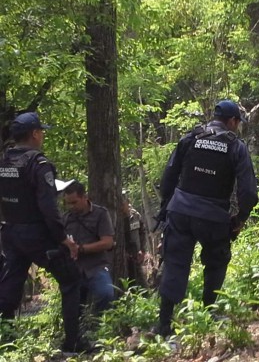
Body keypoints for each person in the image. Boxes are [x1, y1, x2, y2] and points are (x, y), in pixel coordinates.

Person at [156, 100, 258, 336]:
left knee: (175, 264)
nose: (238, 127)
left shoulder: (191, 138)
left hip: (180, 211)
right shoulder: (236, 146)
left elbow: (169, 176)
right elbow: (248, 192)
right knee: (216, 261)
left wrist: (166, 208)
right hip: (213, 216)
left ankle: (164, 325)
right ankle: (210, 313)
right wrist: (240, 218)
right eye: (238, 123)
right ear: (232, 121)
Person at [0, 112, 88, 352]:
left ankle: (6, 344)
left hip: (10, 233)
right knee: (71, 279)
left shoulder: (4, 161)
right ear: (35, 134)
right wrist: (63, 239)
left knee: (8, 289)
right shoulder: (39, 164)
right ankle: (72, 343)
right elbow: (48, 208)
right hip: (37, 235)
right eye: (42, 131)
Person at [63, 181, 114, 315]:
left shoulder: (100, 214)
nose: (71, 206)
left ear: (84, 197)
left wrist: (81, 248)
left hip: (96, 266)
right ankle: (78, 332)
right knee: (73, 307)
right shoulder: (65, 219)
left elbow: (107, 242)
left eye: (74, 202)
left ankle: (100, 327)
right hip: (74, 268)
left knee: (106, 294)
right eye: (68, 203)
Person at [121, 194, 148, 288]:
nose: (121, 207)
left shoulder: (135, 215)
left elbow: (142, 232)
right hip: (123, 255)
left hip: (136, 253)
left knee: (140, 278)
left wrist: (142, 250)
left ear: (127, 202)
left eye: (123, 204)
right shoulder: (116, 218)